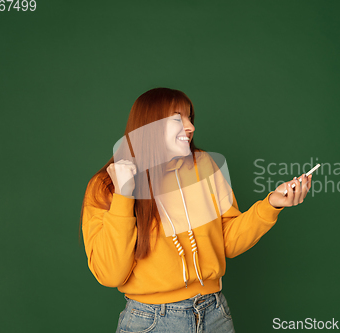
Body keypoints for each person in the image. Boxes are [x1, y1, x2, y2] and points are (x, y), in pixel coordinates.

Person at [79, 87, 313, 333]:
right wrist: (124, 194)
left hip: (214, 313)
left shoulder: (205, 165)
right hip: (151, 321)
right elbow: (110, 274)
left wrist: (272, 204)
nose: (190, 127)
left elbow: (227, 242)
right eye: (176, 119)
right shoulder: (105, 186)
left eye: (190, 118)